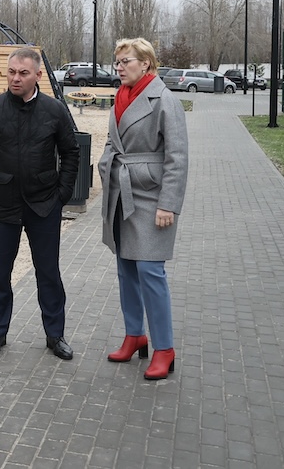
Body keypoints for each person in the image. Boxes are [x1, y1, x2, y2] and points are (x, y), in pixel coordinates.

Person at [0, 47, 81, 360]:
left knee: (49, 274)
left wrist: (62, 194)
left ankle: (55, 336)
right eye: (12, 72)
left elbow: (71, 153)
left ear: (38, 76)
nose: (16, 78)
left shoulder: (54, 110)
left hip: (44, 205)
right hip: (1, 207)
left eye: (23, 73)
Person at [98, 37, 188, 381]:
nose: (119, 67)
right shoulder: (120, 99)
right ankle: (135, 335)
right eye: (117, 62)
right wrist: (106, 164)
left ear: (145, 64)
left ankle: (164, 348)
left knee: (151, 273)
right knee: (126, 270)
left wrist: (169, 204)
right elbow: (113, 141)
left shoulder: (164, 100)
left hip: (151, 198)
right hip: (122, 194)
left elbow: (178, 158)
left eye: (126, 61)